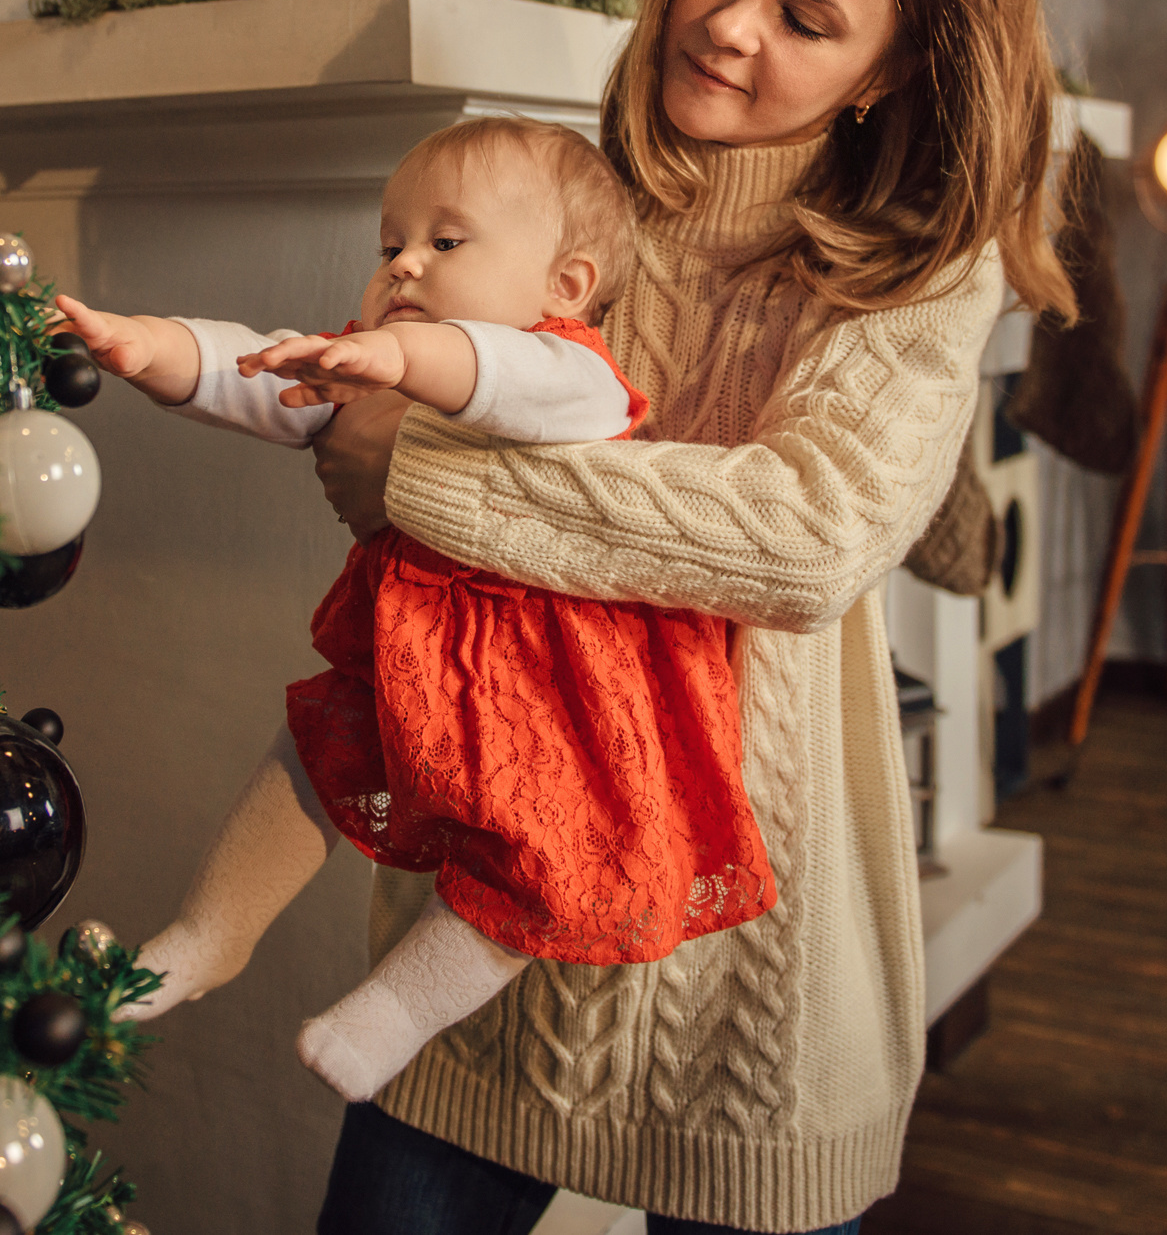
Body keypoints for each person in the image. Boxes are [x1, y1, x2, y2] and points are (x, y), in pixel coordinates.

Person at [299, 0, 1076, 1235]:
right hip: (489, 911)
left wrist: (434, 478)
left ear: (885, 77)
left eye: (806, 14)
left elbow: (805, 534)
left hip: (753, 975)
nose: (731, 27)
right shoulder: (559, 198)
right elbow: (375, 390)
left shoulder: (921, 272)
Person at [52, 116, 779, 1104]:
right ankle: (208, 933)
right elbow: (263, 372)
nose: (403, 266)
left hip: (550, 685)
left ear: (565, 285)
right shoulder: (377, 357)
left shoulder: (572, 372)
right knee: (315, 750)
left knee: (537, 856)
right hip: (409, 652)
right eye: (389, 244)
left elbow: (496, 376)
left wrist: (401, 365)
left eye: (445, 243)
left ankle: (398, 1007)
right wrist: (154, 349)